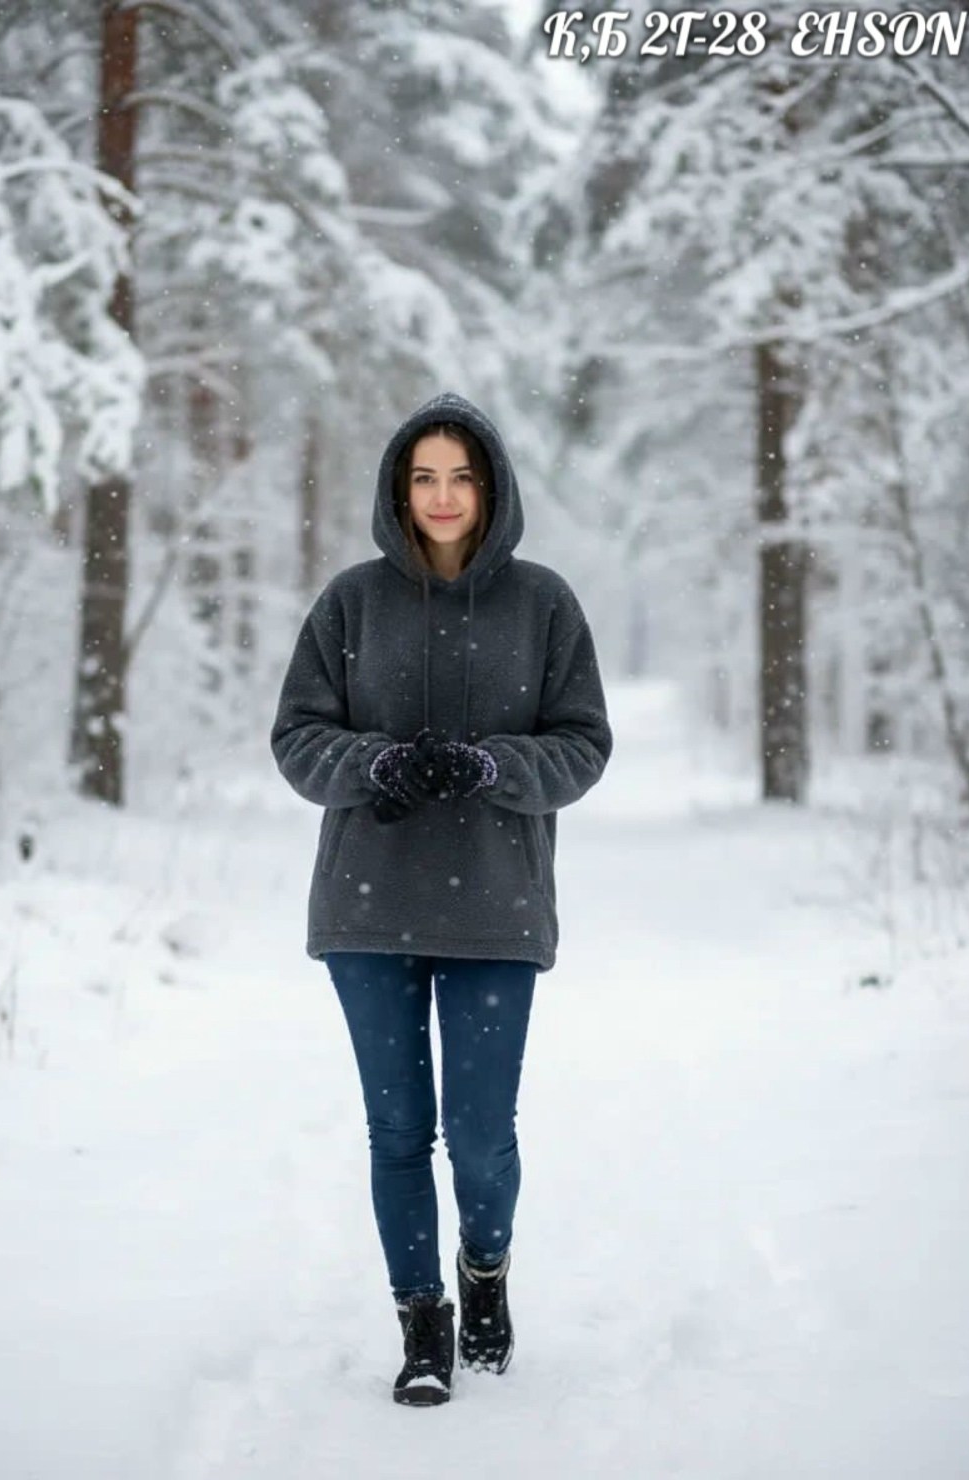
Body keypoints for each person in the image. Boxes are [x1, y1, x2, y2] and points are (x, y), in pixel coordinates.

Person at [270, 391, 612, 1406]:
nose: (443, 494)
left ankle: (485, 1271)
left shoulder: (544, 604)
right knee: (396, 1130)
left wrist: (486, 763)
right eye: (424, 476)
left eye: (461, 475)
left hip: (495, 911)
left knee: (479, 1132)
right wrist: (376, 766)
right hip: (366, 908)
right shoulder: (350, 603)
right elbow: (297, 739)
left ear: (491, 488)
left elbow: (583, 746)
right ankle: (424, 1326)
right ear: (398, 489)